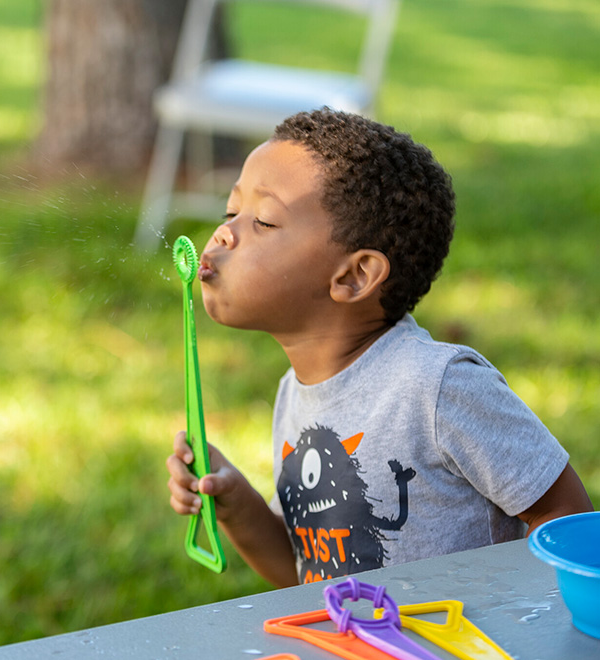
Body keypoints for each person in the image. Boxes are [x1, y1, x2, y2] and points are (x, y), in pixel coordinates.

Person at [165, 108, 593, 588]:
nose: (223, 231)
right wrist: (235, 502)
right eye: (230, 211)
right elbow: (308, 576)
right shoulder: (295, 393)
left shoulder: (438, 387)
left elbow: (566, 518)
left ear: (353, 276)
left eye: (263, 220)